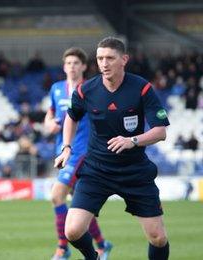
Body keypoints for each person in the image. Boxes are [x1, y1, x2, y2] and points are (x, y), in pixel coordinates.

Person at [54, 37, 170, 260]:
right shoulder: (85, 90)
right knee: (73, 230)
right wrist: (66, 147)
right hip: (96, 170)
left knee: (157, 237)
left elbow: (160, 132)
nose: (104, 64)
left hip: (134, 171)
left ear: (124, 59)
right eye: (99, 59)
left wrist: (132, 141)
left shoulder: (142, 88)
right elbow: (71, 117)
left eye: (109, 58)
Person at [44, 47, 112, 260]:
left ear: (83, 66)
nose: (72, 67)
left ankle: (63, 249)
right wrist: (49, 125)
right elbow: (51, 114)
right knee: (79, 205)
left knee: (57, 196)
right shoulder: (56, 88)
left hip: (82, 151)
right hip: (62, 151)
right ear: (64, 67)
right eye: (68, 63)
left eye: (76, 63)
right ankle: (102, 244)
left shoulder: (90, 89)